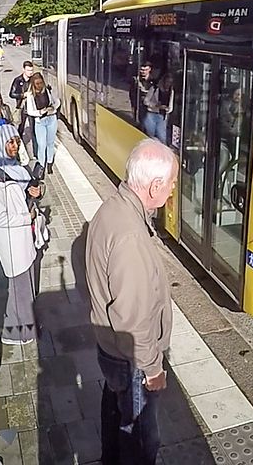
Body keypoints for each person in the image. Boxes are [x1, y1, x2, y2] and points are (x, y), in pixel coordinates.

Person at [85, 138, 178, 465]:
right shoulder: (131, 237)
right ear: (155, 185)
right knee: (141, 441)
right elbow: (133, 322)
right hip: (132, 359)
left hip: (111, 349)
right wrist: (153, 370)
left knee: (114, 416)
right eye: (170, 183)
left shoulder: (111, 208)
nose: (172, 190)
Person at [0, 124, 41, 345]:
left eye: (16, 142)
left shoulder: (15, 169)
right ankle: (17, 334)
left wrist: (34, 191)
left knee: (23, 289)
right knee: (19, 291)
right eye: (10, 142)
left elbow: (21, 194)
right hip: (13, 242)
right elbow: (0, 218)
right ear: (0, 145)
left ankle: (22, 329)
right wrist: (27, 218)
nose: (15, 146)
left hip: (22, 239)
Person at [25, 72, 60, 174]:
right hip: (40, 121)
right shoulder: (31, 95)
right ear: (33, 84)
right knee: (41, 145)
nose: (40, 85)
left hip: (51, 118)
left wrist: (53, 108)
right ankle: (41, 166)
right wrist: (40, 112)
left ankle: (49, 163)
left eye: (41, 83)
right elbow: (30, 111)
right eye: (37, 83)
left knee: (50, 143)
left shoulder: (48, 91)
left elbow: (57, 101)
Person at [9, 60, 36, 153]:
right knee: (20, 128)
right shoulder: (18, 80)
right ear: (24, 70)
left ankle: (36, 152)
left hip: (32, 108)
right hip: (22, 108)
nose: (30, 72)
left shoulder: (34, 80)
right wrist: (22, 95)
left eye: (31, 70)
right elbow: (11, 94)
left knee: (34, 130)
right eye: (28, 70)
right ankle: (18, 150)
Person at [143, 72, 174, 144]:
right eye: (167, 82)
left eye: (170, 82)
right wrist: (156, 105)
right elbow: (146, 101)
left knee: (162, 138)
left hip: (162, 116)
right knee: (150, 137)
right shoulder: (154, 88)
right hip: (151, 115)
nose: (168, 84)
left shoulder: (171, 91)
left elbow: (171, 105)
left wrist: (167, 109)